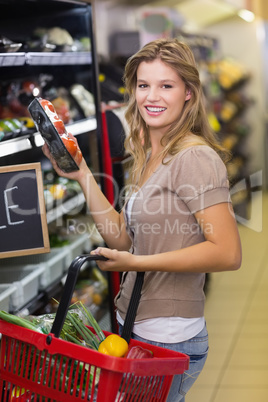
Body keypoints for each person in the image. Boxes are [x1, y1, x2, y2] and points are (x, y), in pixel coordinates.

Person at [42, 37, 242, 401]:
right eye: (143, 85)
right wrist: (83, 173)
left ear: (189, 94)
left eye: (166, 85)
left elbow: (227, 253)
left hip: (169, 333)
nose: (152, 96)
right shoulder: (151, 154)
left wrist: (137, 263)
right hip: (136, 323)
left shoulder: (194, 158)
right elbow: (122, 238)